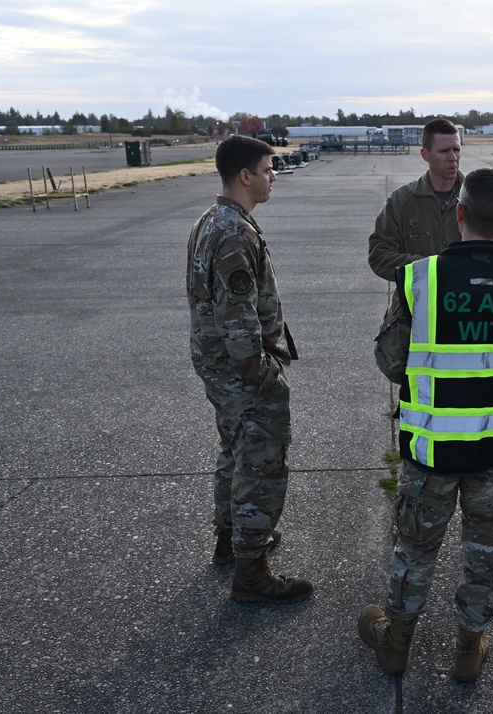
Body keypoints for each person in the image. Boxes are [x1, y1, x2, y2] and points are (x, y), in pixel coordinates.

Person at [359, 168, 493, 682]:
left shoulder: (420, 279)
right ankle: (469, 649)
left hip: (431, 453)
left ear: (459, 215)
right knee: (484, 553)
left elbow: (391, 362)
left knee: (414, 548)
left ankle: (397, 642)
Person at [186, 135, 313, 605]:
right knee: (261, 461)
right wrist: (262, 375)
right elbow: (237, 316)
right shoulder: (235, 233)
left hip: (217, 366)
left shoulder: (212, 219)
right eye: (268, 168)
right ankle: (252, 573)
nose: (273, 175)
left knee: (235, 449)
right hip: (239, 369)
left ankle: (231, 538)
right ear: (246, 176)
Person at [367, 118, 493, 281]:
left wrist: (477, 271)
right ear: (425, 154)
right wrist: (435, 268)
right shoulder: (401, 201)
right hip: (420, 303)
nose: (453, 157)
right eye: (444, 151)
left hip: (472, 302)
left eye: (456, 149)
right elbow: (379, 256)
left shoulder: (481, 194)